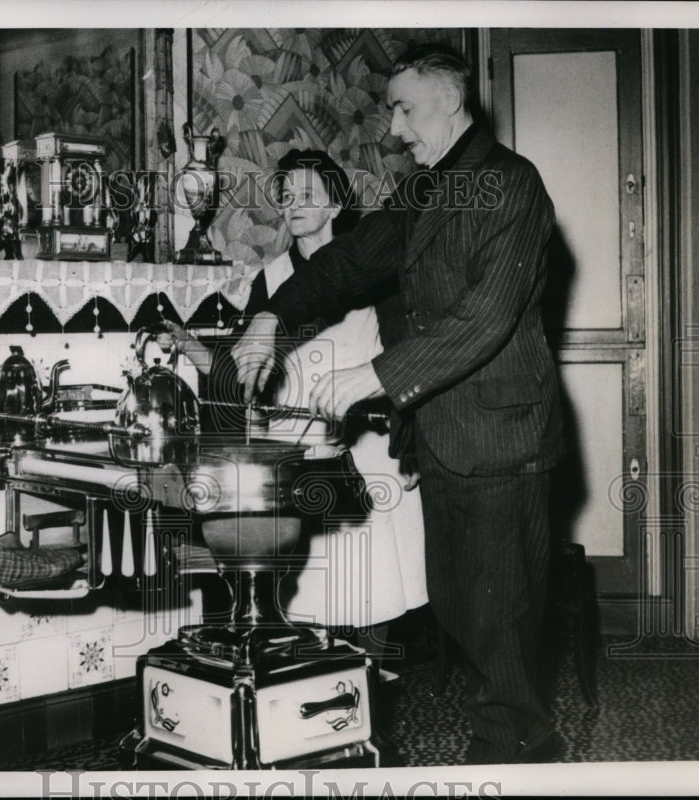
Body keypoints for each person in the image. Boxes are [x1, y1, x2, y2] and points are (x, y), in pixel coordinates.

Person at [230, 42, 564, 765]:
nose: (394, 129)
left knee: (498, 615)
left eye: (405, 108)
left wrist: (374, 377)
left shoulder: (512, 184)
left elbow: (485, 316)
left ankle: (516, 753)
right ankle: (509, 736)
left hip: (504, 437)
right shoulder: (422, 190)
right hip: (443, 432)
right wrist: (270, 317)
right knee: (458, 604)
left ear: (450, 99)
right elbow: (348, 262)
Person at [165, 148, 427, 639]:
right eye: (287, 196)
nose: (293, 204)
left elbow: (404, 357)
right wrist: (191, 348)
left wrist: (410, 442)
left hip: (371, 442)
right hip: (300, 445)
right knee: (313, 592)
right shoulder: (271, 280)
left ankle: (367, 676)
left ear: (335, 206)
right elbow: (245, 370)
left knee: (377, 580)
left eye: (309, 194)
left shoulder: (373, 270)